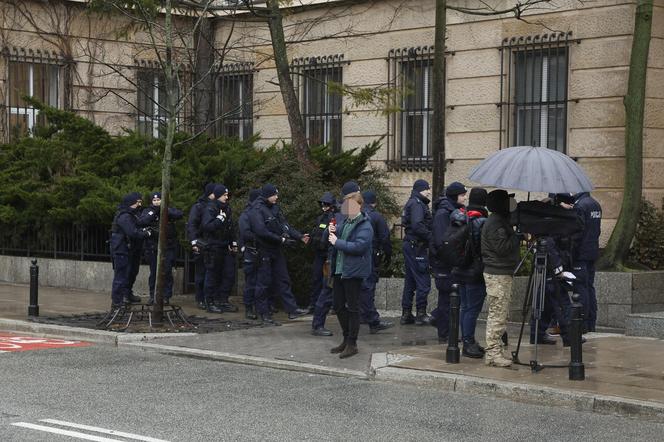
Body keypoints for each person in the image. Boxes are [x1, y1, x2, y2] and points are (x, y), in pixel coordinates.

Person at [249, 183, 309, 325]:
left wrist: (299, 236)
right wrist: (281, 239)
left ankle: (292, 309)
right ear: (267, 195)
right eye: (274, 194)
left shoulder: (274, 208)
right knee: (263, 283)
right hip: (264, 250)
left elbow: (284, 225)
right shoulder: (257, 210)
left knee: (283, 279)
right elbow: (261, 231)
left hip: (276, 249)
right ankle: (264, 313)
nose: (277, 197)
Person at [328, 181, 374, 359]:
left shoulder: (365, 224)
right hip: (341, 269)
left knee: (353, 307)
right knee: (338, 305)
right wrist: (331, 231)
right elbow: (334, 235)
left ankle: (352, 343)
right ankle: (346, 339)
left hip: (353, 271)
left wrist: (337, 242)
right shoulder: (347, 221)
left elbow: (359, 246)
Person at [481, 189, 520, 368]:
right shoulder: (496, 223)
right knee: (497, 315)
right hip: (497, 274)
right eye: (507, 201)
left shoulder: (499, 221)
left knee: (501, 314)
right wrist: (516, 236)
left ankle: (497, 350)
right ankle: (493, 353)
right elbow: (502, 248)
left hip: (501, 272)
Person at [450, 187, 487, 358]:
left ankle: (467, 340)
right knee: (472, 308)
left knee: (465, 307)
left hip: (458, 268)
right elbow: (483, 249)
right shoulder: (480, 221)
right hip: (474, 271)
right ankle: (468, 342)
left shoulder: (458, 216)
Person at [430, 181, 467, 341]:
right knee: (446, 298)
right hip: (445, 263)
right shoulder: (444, 214)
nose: (465, 197)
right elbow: (442, 241)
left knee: (450, 298)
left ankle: (440, 323)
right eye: (462, 195)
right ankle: (445, 334)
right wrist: (453, 258)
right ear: (455, 196)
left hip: (450, 261)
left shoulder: (454, 211)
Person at [138, 191, 184, 305]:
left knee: (167, 271)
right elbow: (143, 221)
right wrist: (154, 212)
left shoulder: (168, 210)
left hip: (168, 247)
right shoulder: (148, 211)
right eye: (154, 200)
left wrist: (164, 209)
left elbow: (179, 214)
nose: (156, 202)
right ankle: (153, 295)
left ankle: (166, 296)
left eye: (159, 200)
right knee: (154, 272)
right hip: (152, 247)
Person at [359, 190, 393, 334]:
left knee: (362, 285)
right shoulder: (376, 217)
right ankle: (373, 319)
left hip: (357, 255)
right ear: (374, 202)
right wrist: (388, 254)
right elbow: (385, 238)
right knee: (368, 285)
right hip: (371, 255)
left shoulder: (357, 215)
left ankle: (363, 315)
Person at [201, 184, 238, 314]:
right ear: (218, 196)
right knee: (212, 275)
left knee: (229, 274)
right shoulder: (211, 208)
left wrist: (233, 242)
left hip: (224, 246)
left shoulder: (227, 208)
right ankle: (209, 302)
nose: (226, 197)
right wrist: (218, 220)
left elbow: (230, 226)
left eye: (227, 195)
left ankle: (223, 300)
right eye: (224, 195)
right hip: (213, 246)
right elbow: (206, 226)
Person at [400, 179, 433, 326]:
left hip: (411, 245)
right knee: (422, 280)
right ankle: (421, 313)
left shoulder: (412, 202)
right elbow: (418, 225)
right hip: (417, 247)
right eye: (427, 189)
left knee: (410, 281)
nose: (429, 191)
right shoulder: (418, 204)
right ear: (421, 189)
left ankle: (406, 313)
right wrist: (431, 237)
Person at [109, 192, 151, 308]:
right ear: (131, 202)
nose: (139, 204)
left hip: (130, 249)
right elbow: (132, 232)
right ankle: (117, 301)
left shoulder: (132, 214)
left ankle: (127, 294)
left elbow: (139, 224)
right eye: (137, 202)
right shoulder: (124, 216)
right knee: (121, 276)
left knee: (132, 272)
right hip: (122, 250)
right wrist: (145, 233)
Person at [571, 192, 602, 333]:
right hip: (592, 252)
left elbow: (577, 232)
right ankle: (591, 323)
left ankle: (581, 324)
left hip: (580, 254)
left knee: (581, 288)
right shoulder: (595, 204)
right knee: (589, 287)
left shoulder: (580, 206)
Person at [310, 192, 338, 336]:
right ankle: (317, 320)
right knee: (323, 286)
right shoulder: (322, 218)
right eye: (322, 204)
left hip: (329, 256)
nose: (324, 207)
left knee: (327, 288)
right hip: (324, 256)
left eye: (326, 204)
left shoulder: (335, 217)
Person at [187, 183, 216, 310]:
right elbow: (192, 225)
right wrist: (194, 242)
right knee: (201, 272)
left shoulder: (214, 206)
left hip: (211, 243)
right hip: (202, 243)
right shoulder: (199, 207)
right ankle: (200, 298)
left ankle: (209, 298)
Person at [238, 189, 261, 320]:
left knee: (261, 282)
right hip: (250, 252)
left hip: (258, 252)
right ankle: (249, 307)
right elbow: (245, 233)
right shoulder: (246, 215)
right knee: (251, 282)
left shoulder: (257, 214)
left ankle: (259, 306)